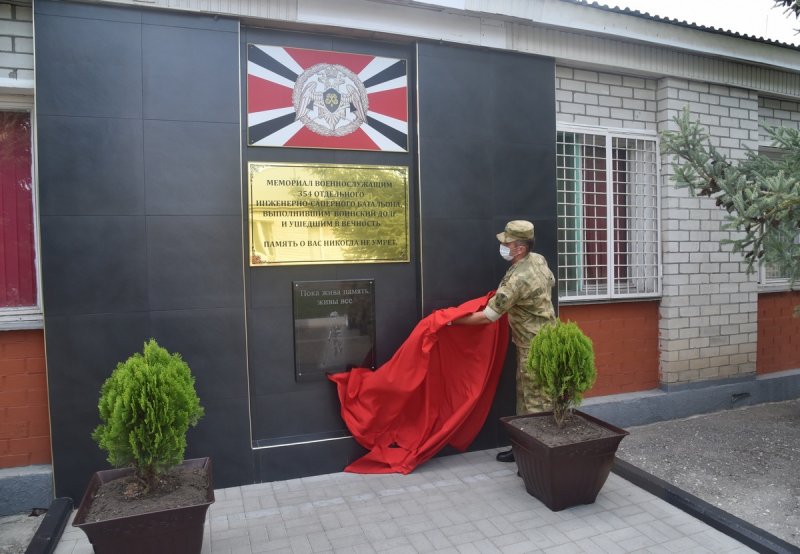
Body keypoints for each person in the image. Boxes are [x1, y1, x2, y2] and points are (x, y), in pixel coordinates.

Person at [450, 220, 556, 462]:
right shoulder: (538, 259)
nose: (503, 246)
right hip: (547, 339)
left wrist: (452, 320)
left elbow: (488, 316)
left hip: (533, 346)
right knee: (530, 397)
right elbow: (550, 282)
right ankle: (523, 449)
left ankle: (534, 459)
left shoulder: (517, 278)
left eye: (507, 243)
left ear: (520, 248)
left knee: (535, 403)